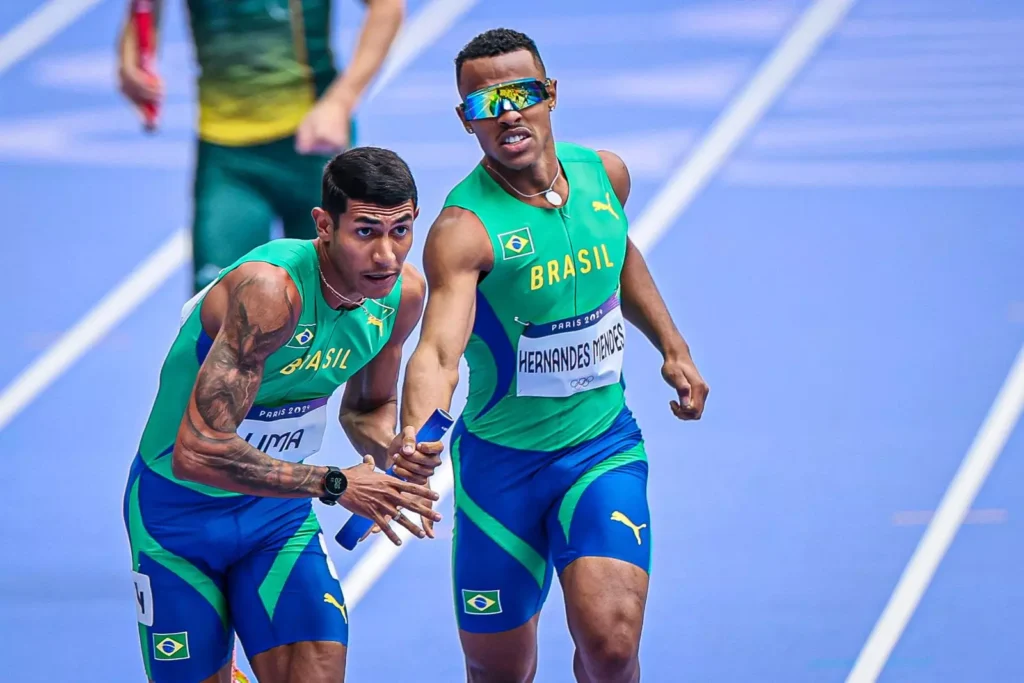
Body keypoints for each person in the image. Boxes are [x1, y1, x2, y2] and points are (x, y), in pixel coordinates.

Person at [390, 28, 710, 683]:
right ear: (466, 120)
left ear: (549, 95)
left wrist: (673, 348)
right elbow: (438, 351)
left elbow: (618, 252)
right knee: (499, 669)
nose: (506, 112)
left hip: (601, 447)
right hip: (500, 472)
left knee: (613, 646)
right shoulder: (463, 230)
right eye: (485, 103)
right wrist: (416, 433)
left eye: (521, 94)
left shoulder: (604, 176)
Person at [122, 146, 442, 683]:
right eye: (366, 232)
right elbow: (197, 450)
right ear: (324, 225)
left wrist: (393, 447)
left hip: (276, 516)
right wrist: (338, 482)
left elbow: (366, 407)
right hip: (177, 519)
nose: (387, 255)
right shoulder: (271, 293)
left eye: (402, 230)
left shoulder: (401, 295)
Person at [117, 0, 406, 293]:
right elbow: (144, 6)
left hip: (311, 148)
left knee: (333, 294)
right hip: (226, 155)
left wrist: (341, 101)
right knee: (217, 301)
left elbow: (387, 6)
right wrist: (130, 64)